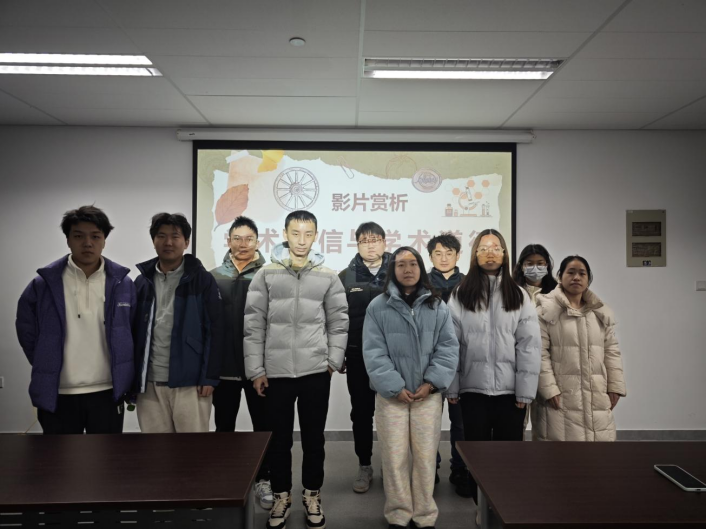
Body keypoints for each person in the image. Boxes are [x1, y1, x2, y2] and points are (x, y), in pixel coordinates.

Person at [244, 210, 349, 530]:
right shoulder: (266, 274)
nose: (302, 240)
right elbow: (253, 325)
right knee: (279, 441)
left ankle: (312, 495)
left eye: (308, 233)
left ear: (316, 235)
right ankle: (281, 497)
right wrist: (256, 370)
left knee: (314, 439)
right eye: (295, 233)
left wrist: (331, 362)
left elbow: (339, 322)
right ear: (285, 234)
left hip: (315, 371)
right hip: (276, 373)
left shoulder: (328, 276)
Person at [15, 205, 136, 434]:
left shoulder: (123, 284)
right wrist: (45, 360)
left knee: (106, 455)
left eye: (95, 236)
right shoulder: (44, 284)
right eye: (79, 236)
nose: (87, 243)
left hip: (108, 391)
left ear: (104, 241)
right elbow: (26, 329)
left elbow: (133, 329)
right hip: (59, 392)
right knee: (59, 456)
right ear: (68, 240)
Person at [363, 246, 459, 530]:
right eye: (401, 264)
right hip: (391, 397)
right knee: (394, 458)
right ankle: (398, 514)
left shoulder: (437, 306)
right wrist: (394, 386)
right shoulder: (378, 306)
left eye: (413, 264)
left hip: (426, 396)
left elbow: (448, 348)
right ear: (392, 270)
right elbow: (374, 352)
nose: (407, 269)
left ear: (421, 268)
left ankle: (424, 515)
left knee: (426, 458)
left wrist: (431, 383)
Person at [446, 229, 541, 514]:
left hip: (510, 393)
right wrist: (452, 386)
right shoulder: (461, 293)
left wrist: (525, 392)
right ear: (475, 254)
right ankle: (482, 510)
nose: (490, 253)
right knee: (476, 457)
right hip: (471, 390)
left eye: (496, 248)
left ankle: (506, 508)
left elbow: (529, 345)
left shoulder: (518, 295)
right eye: (484, 248)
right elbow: (451, 343)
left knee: (509, 456)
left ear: (504, 254)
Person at [133, 213, 223, 433]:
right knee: (155, 450)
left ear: (186, 242)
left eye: (175, 236)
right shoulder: (142, 281)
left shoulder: (202, 280)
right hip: (149, 383)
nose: (168, 242)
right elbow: (132, 332)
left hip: (190, 383)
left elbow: (216, 330)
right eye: (161, 236)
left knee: (191, 450)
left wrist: (209, 377)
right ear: (153, 240)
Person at [210, 216, 273, 509]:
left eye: (249, 238)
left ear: (258, 242)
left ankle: (264, 479)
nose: (243, 244)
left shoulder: (269, 275)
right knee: (223, 427)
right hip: (224, 369)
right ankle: (224, 480)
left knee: (264, 427)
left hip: (258, 369)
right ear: (228, 241)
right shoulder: (213, 276)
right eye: (237, 238)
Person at [532, 256, 627, 442]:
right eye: (571, 272)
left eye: (582, 273)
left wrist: (615, 386)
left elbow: (612, 351)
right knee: (558, 453)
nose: (576, 277)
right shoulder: (546, 311)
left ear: (588, 278)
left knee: (598, 454)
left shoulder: (600, 313)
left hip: (596, 395)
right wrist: (549, 390)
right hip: (559, 398)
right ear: (560, 276)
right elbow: (538, 353)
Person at [338, 221, 391, 494]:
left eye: (375, 240)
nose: (370, 245)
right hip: (358, 355)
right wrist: (339, 352)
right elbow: (337, 319)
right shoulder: (345, 276)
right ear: (357, 244)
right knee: (361, 412)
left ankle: (393, 467)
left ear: (384, 242)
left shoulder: (399, 271)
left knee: (393, 412)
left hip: (393, 358)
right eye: (364, 241)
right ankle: (365, 464)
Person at [426, 233, 471, 498]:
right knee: (429, 420)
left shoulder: (469, 284)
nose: (444, 258)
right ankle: (428, 467)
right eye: (438, 253)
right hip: (428, 362)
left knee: (460, 421)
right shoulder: (421, 284)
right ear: (430, 256)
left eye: (449, 253)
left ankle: (460, 468)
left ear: (458, 255)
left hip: (461, 361)